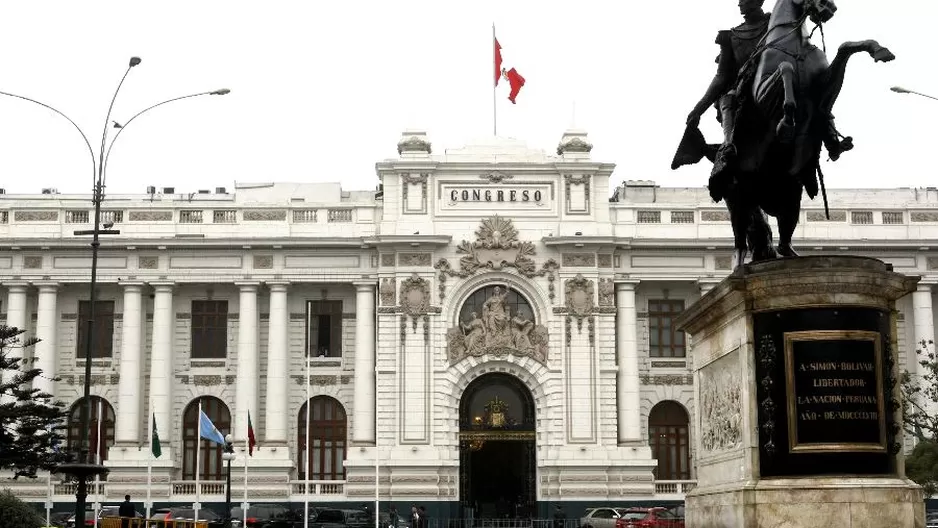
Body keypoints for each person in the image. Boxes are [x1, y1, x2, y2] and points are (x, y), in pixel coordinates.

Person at [684, 0, 848, 200]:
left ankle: (831, 138)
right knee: (727, 97)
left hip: (783, 77)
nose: (739, 4)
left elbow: (803, 19)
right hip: (745, 87)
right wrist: (698, 109)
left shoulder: (776, 22)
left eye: (743, 0)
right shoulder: (730, 36)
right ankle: (728, 146)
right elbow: (721, 77)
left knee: (814, 91)